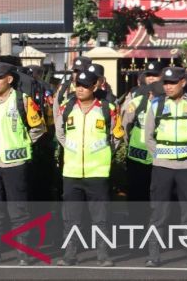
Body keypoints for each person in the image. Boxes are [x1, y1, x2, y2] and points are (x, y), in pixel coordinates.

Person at [0, 62, 46, 265]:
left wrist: (23, 143)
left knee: (18, 209)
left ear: (10, 79)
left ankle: (22, 251)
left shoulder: (22, 100)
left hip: (15, 163)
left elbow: (38, 127)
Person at [144, 66, 187, 268]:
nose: (168, 87)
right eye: (165, 83)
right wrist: (159, 155)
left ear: (183, 82)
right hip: (162, 166)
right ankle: (154, 254)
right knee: (159, 211)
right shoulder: (155, 105)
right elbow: (148, 136)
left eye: (173, 82)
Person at [54, 70, 123, 267]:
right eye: (78, 85)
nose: (80, 89)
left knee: (100, 217)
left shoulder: (107, 108)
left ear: (95, 87)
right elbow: (60, 132)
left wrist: (106, 151)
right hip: (72, 171)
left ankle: (103, 254)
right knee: (71, 217)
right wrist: (71, 147)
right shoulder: (67, 107)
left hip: (98, 172)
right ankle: (70, 254)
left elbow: (117, 135)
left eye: (85, 86)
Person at [121, 61, 162, 205]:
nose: (151, 78)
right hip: (138, 155)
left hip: (160, 155)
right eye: (148, 75)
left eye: (155, 75)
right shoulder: (135, 95)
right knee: (136, 192)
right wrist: (129, 142)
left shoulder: (169, 97)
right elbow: (125, 123)